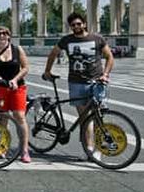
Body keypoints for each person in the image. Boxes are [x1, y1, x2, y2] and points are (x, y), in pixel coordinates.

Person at [43, 12, 114, 160]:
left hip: (97, 82)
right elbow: (53, 53)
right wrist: (47, 71)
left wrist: (106, 74)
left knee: (98, 116)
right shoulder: (66, 40)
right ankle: (89, 149)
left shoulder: (97, 39)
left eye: (78, 24)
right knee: (84, 118)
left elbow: (109, 57)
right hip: (76, 83)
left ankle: (98, 148)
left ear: (84, 24)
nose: (76, 26)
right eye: (73, 25)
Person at [0, 26, 31, 163]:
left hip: (17, 87)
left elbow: (26, 68)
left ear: (9, 36)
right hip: (0, 88)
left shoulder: (17, 49)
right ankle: (3, 146)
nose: (2, 35)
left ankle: (24, 150)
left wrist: (15, 80)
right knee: (3, 117)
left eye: (5, 33)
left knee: (20, 116)